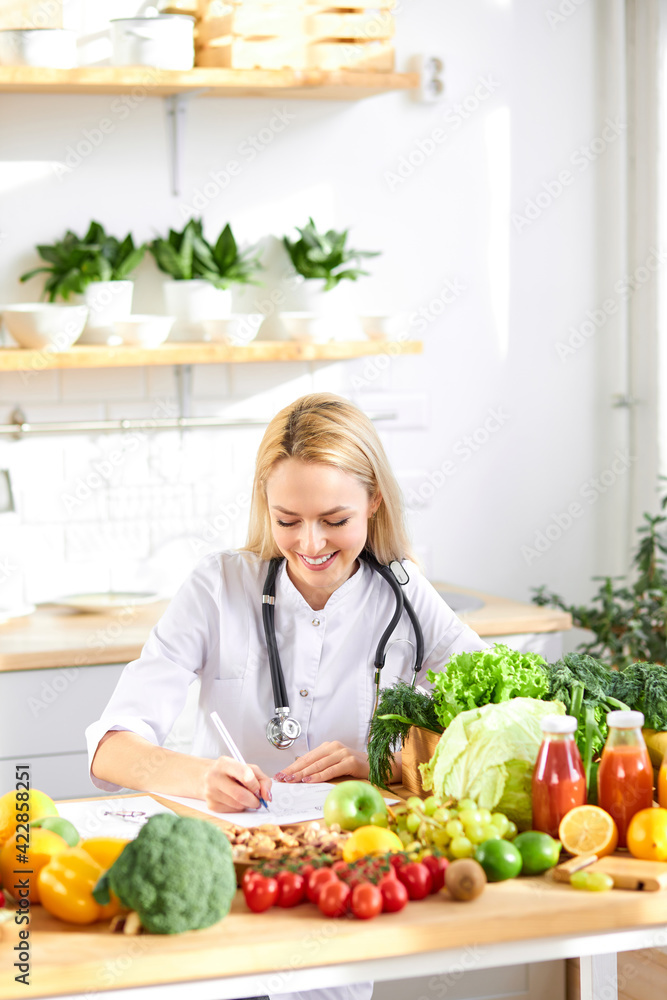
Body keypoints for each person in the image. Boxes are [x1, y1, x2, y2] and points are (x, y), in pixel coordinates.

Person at [87, 392, 487, 1000]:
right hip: (225, 873)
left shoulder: (406, 593)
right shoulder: (218, 586)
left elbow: (496, 724)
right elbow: (111, 750)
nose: (309, 544)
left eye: (335, 520)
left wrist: (382, 761)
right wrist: (200, 777)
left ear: (373, 500)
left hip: (338, 887)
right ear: (264, 506)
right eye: (287, 519)